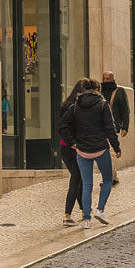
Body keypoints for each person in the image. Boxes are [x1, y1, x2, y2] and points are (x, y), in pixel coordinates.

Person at [58, 77, 122, 227]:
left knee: (86, 184)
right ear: (98, 89)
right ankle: (100, 209)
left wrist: (72, 143)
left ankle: (86, 219)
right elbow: (110, 128)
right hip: (100, 148)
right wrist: (116, 147)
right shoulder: (102, 104)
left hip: (82, 150)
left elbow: (62, 126)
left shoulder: (75, 106)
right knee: (107, 180)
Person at [57, 84, 84, 227]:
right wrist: (74, 143)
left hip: (64, 147)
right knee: (76, 179)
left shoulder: (65, 105)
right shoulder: (78, 108)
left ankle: (84, 210)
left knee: (77, 178)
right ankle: (67, 215)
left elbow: (62, 127)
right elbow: (63, 127)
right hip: (75, 147)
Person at [101, 71, 130, 186]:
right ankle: (113, 176)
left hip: (113, 127)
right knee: (105, 153)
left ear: (113, 79)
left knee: (111, 153)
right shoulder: (99, 91)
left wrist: (125, 127)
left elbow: (125, 110)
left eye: (108, 79)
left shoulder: (119, 91)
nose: (105, 81)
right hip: (100, 128)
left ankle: (109, 178)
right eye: (104, 78)